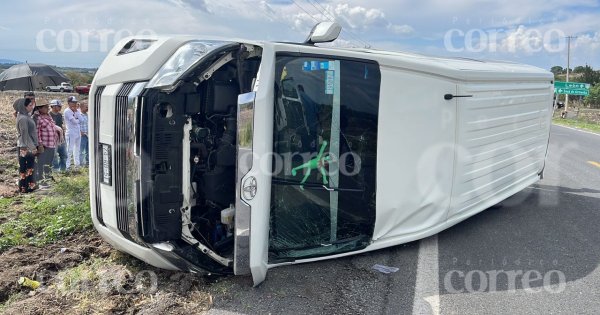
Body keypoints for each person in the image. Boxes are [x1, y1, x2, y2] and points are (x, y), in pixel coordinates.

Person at [15, 98, 39, 193]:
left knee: (29, 167)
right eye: (30, 105)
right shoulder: (23, 118)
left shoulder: (26, 116)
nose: (31, 107)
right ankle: (26, 188)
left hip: (27, 145)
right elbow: (25, 135)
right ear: (24, 107)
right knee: (26, 168)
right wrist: (32, 147)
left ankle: (27, 187)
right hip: (25, 146)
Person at [34, 99, 57, 186]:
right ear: (39, 108)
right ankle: (41, 179)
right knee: (41, 163)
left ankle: (48, 177)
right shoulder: (38, 118)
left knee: (49, 163)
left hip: (51, 144)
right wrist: (40, 144)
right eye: (45, 107)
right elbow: (37, 132)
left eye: (47, 106)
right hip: (44, 145)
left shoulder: (48, 116)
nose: (47, 108)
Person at [64, 96, 81, 169]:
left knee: (77, 149)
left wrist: (77, 114)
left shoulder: (77, 111)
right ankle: (67, 166)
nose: (74, 103)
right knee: (69, 149)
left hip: (77, 131)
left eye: (75, 102)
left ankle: (77, 164)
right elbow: (74, 122)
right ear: (69, 103)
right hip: (71, 132)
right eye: (73, 102)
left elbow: (82, 120)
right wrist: (77, 120)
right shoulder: (67, 111)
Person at [50, 100, 67, 171]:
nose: (60, 107)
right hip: (53, 139)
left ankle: (63, 169)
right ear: (53, 106)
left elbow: (61, 125)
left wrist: (63, 136)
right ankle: (55, 170)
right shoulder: (49, 115)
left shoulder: (60, 115)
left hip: (61, 138)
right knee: (54, 156)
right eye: (58, 106)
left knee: (64, 155)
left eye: (60, 106)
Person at [79, 101, 89, 166]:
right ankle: (81, 164)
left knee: (88, 150)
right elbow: (76, 124)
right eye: (86, 107)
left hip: (88, 135)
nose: (87, 108)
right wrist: (80, 132)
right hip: (82, 135)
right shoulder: (78, 115)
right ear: (81, 107)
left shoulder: (87, 115)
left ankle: (88, 163)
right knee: (81, 151)